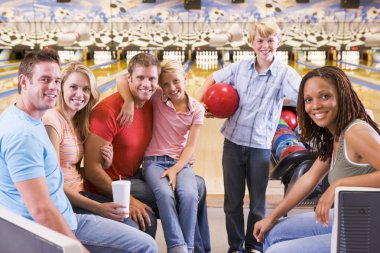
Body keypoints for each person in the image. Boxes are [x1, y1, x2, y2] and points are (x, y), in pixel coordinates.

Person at [0, 50, 157, 253]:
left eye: (56, 81)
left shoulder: (27, 117)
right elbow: (41, 209)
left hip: (67, 215)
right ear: (23, 81)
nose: (53, 87)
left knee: (144, 239)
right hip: (48, 232)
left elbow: (54, 173)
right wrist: (77, 248)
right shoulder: (25, 134)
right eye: (45, 79)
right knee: (144, 245)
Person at [83, 53, 211, 252]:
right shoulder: (108, 112)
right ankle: (182, 247)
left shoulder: (152, 102)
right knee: (180, 193)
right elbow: (91, 171)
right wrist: (129, 200)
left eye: (151, 79)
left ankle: (197, 249)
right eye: (140, 78)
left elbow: (176, 123)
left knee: (198, 186)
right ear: (130, 79)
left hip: (136, 175)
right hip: (115, 184)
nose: (146, 84)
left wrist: (181, 158)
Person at [197, 19, 301, 253]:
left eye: (270, 40)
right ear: (251, 43)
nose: (265, 45)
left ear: (279, 42)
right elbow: (212, 79)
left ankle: (254, 245)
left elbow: (305, 93)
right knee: (232, 202)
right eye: (260, 41)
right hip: (233, 143)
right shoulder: (240, 68)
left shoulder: (285, 74)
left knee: (257, 204)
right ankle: (235, 246)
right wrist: (199, 104)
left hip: (261, 147)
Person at [253, 66, 380, 253]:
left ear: (342, 96)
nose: (315, 106)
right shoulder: (335, 136)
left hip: (369, 230)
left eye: (325, 96)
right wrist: (271, 217)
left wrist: (340, 185)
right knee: (272, 233)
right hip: (350, 219)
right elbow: (309, 179)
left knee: (276, 251)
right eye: (308, 100)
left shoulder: (356, 132)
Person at [42, 62, 150, 232]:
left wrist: (105, 163)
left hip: (80, 193)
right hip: (64, 202)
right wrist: (99, 208)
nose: (80, 94)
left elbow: (70, 168)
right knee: (130, 225)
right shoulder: (51, 122)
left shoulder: (78, 122)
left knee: (136, 220)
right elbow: (53, 183)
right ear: (61, 87)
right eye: (73, 87)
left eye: (85, 89)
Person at [117, 59, 204, 252]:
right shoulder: (157, 96)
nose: (171, 88)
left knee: (190, 195)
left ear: (185, 78)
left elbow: (190, 146)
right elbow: (121, 78)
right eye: (165, 84)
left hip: (180, 163)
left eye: (175, 81)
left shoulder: (197, 109)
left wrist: (175, 168)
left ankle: (187, 248)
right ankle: (177, 246)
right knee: (165, 195)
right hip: (153, 162)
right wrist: (129, 101)